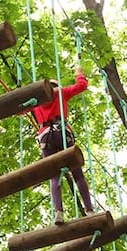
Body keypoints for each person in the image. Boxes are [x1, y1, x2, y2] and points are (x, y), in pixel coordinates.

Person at [33, 66, 94, 225]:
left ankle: (58, 212)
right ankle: (89, 210)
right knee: (77, 174)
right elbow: (82, 86)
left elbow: (19, 110)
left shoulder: (37, 102)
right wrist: (80, 73)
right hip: (62, 134)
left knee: (54, 176)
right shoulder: (60, 93)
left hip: (45, 137)